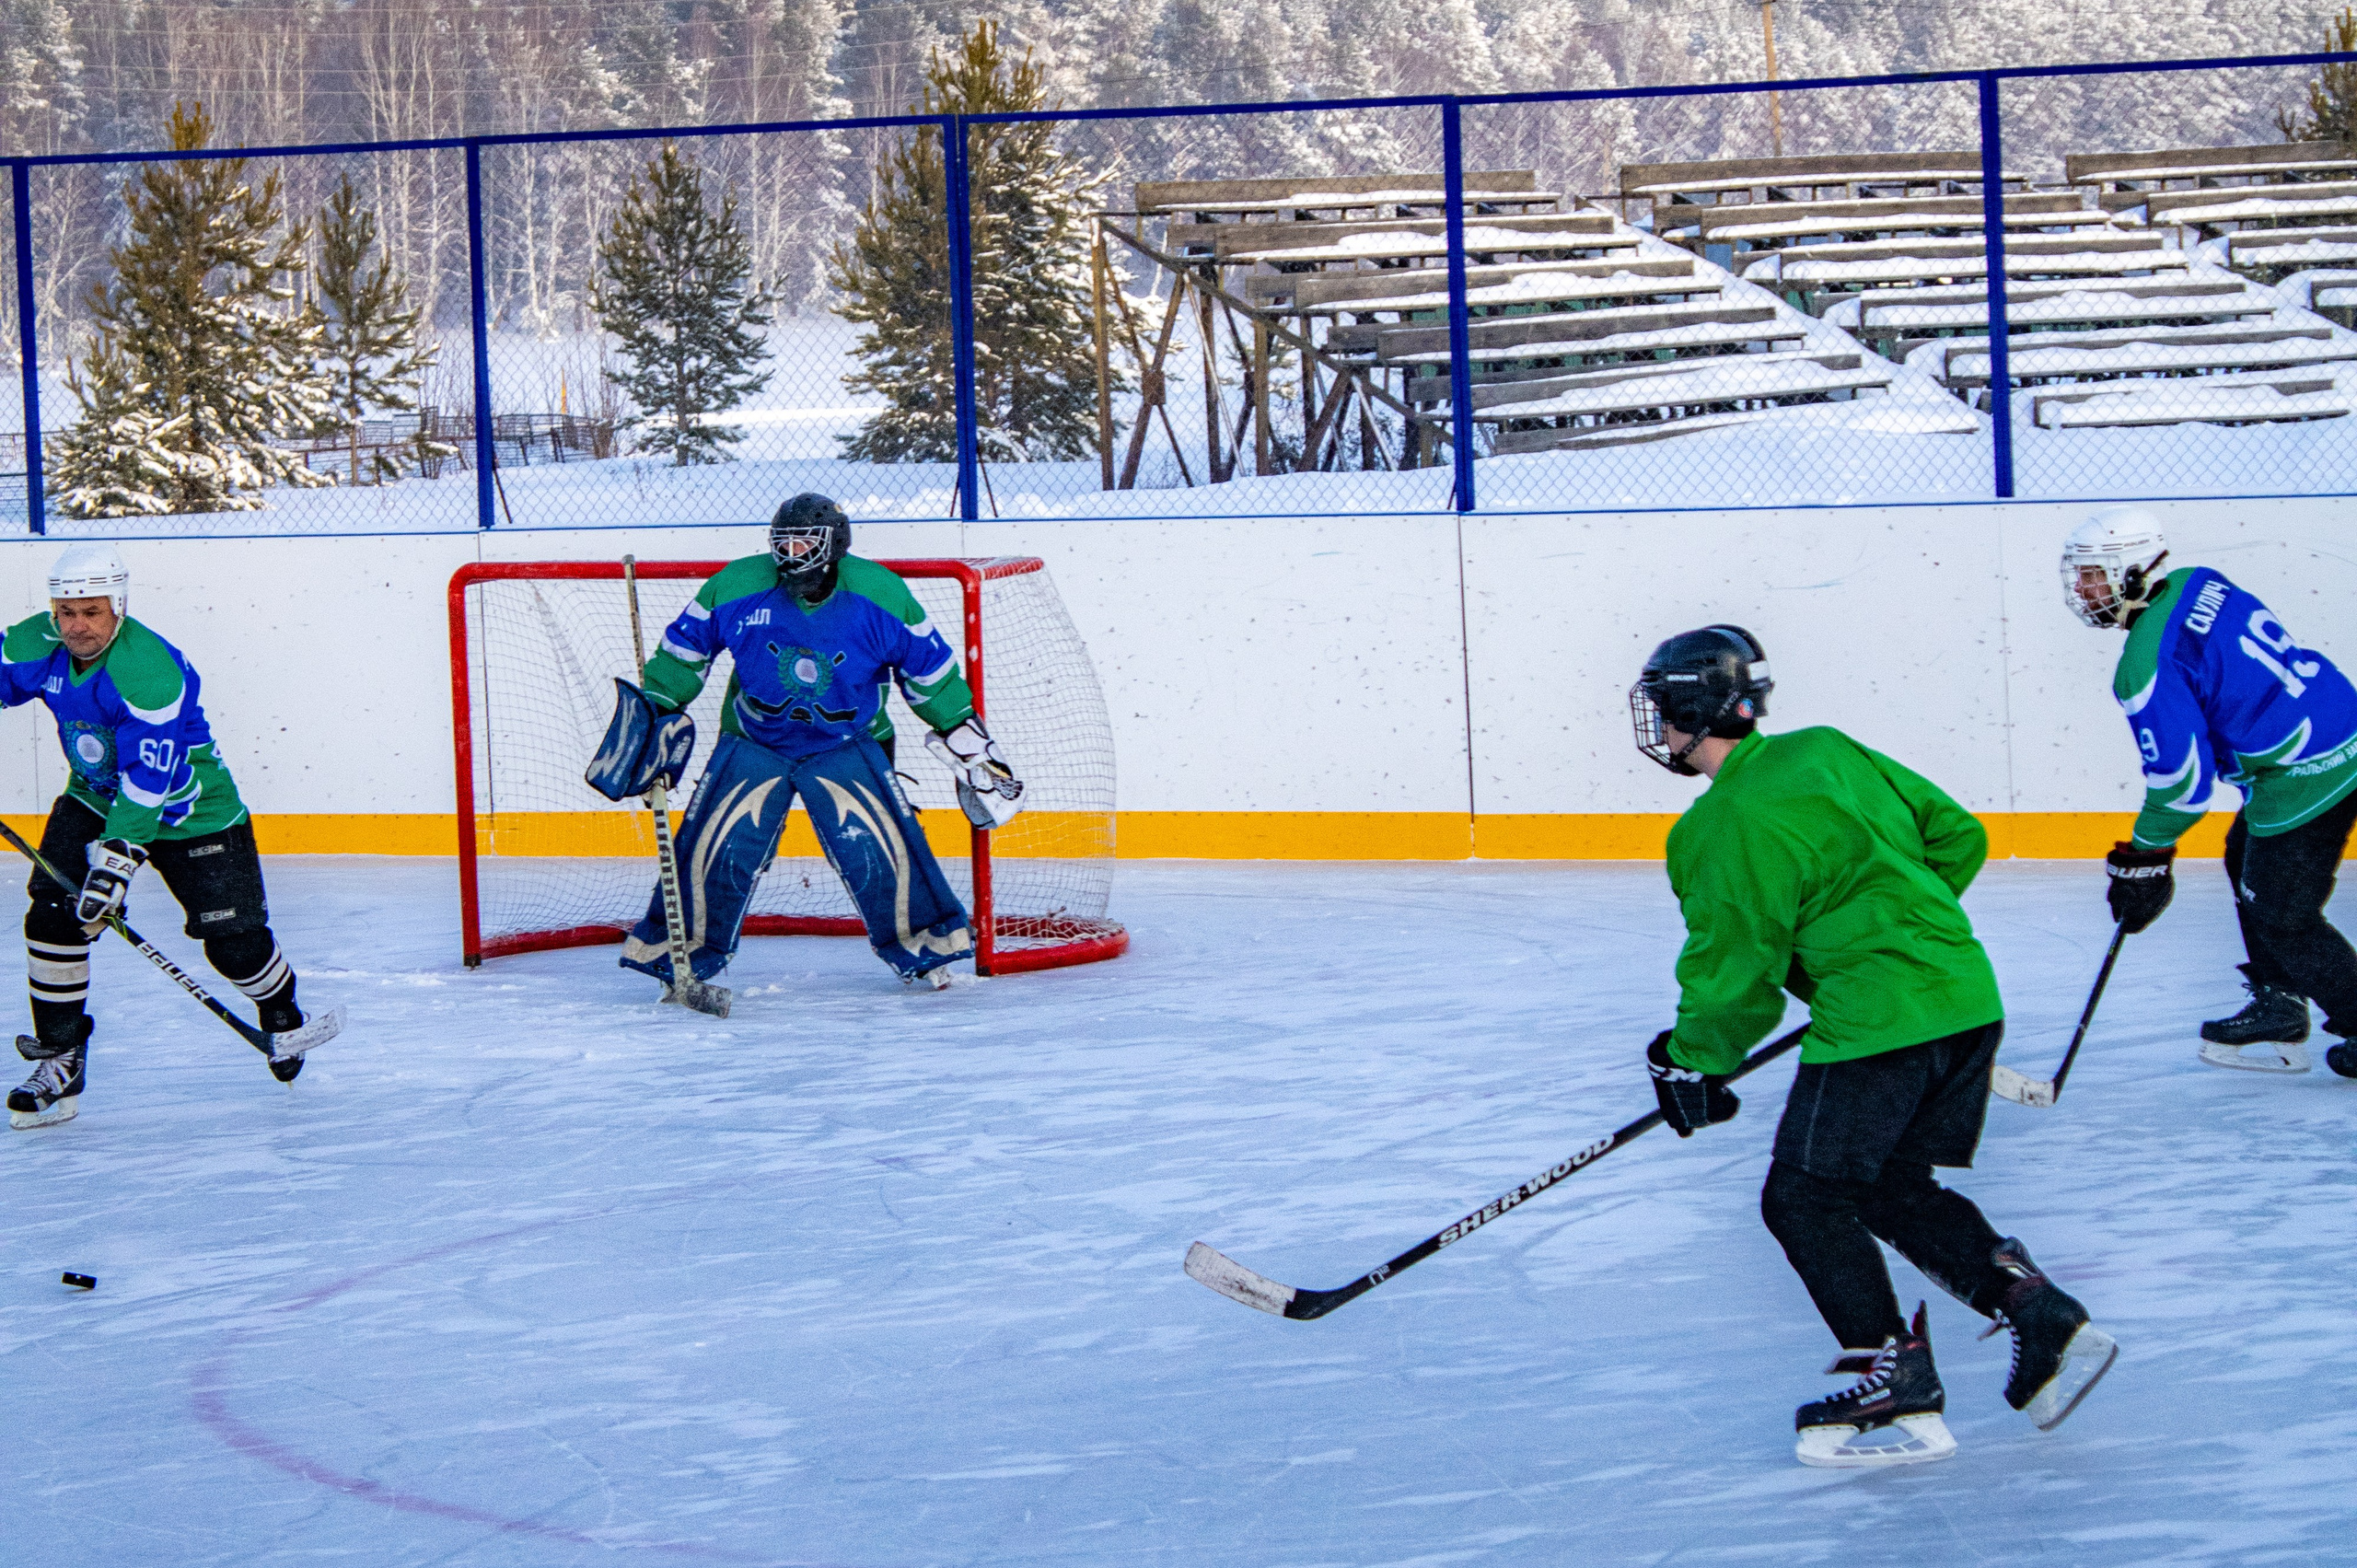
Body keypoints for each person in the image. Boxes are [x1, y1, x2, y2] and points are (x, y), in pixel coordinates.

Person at [1631, 624, 2116, 1468]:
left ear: (1688, 708)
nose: (1656, 725)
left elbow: (1735, 971)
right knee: (1889, 1184)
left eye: (1660, 706)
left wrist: (1690, 1060)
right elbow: (1958, 836)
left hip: (1880, 1026)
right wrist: (1894, 934)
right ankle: (2037, 1311)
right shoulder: (1826, 750)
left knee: (1804, 1199)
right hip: (1964, 997)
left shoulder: (1718, 827)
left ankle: (1891, 1370)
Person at [586, 493, 1023, 993]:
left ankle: (927, 951)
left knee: (881, 848)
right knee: (714, 846)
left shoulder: (881, 596)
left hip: (850, 741)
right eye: (784, 543)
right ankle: (677, 958)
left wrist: (968, 742)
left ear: (834, 545)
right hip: (753, 738)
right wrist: (655, 716)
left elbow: (933, 676)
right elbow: (682, 656)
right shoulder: (737, 585)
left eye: (805, 542)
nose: (792, 554)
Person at [0, 545, 327, 1129]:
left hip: (191, 813)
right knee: (53, 919)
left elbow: (147, 781)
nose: (75, 626)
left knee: (234, 946)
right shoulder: (39, 642)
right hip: (94, 798)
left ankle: (278, 1006)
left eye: (92, 612)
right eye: (65, 612)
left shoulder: (148, 670)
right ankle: (60, 1060)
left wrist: (114, 864)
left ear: (118, 608)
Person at [2063, 506, 2357, 1078]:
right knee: (2241, 854)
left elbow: (2181, 786)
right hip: (2341, 723)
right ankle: (2279, 1000)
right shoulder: (2197, 580)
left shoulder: (2145, 664)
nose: (2081, 589)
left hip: (2305, 771)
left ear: (2133, 572)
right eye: (2079, 575)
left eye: (2093, 574)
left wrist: (2143, 858)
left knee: (2281, 913)